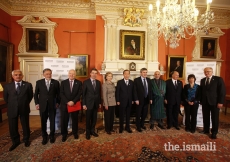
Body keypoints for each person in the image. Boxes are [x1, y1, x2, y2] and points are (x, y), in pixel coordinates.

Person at [3, 70, 33, 151]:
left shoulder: (28, 85)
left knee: (25, 125)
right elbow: (6, 98)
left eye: (19, 75)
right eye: (16, 75)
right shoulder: (7, 86)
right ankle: (15, 141)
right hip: (12, 109)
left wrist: (23, 103)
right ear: (13, 76)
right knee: (12, 126)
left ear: (22, 76)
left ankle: (26, 140)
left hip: (24, 108)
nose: (18, 76)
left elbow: (30, 96)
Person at [34, 68, 60, 145]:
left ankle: (52, 136)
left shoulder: (55, 82)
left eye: (50, 74)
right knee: (43, 121)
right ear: (43, 75)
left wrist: (58, 102)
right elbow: (35, 94)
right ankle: (44, 136)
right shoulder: (39, 82)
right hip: (42, 105)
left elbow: (58, 94)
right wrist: (37, 104)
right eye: (47, 74)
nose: (48, 75)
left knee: (52, 121)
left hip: (53, 105)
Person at [199, 67, 226, 139]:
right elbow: (202, 92)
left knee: (214, 118)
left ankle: (214, 132)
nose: (206, 73)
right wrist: (201, 100)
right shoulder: (202, 80)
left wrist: (220, 102)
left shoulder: (218, 79)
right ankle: (206, 130)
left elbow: (222, 91)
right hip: (205, 102)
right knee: (205, 117)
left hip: (215, 102)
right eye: (205, 72)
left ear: (212, 71)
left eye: (208, 71)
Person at [60, 69, 82, 142]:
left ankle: (75, 133)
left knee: (75, 120)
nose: (71, 75)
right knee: (64, 120)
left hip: (74, 104)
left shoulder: (79, 82)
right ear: (68, 74)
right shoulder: (63, 82)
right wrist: (67, 102)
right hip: (65, 105)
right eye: (70, 73)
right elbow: (61, 93)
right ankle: (64, 134)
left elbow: (80, 93)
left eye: (73, 74)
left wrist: (73, 101)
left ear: (75, 75)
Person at [83, 68, 101, 140]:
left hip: (96, 103)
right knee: (88, 119)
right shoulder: (86, 82)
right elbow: (83, 94)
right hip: (88, 103)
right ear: (90, 74)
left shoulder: (98, 82)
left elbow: (99, 94)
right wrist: (84, 104)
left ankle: (92, 130)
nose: (94, 74)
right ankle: (87, 132)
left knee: (94, 118)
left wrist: (99, 102)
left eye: (95, 73)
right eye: (93, 73)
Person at [134, 68, 152, 132]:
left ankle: (142, 124)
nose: (145, 73)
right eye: (144, 72)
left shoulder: (149, 80)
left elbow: (150, 90)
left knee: (144, 113)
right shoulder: (136, 80)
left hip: (146, 99)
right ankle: (138, 126)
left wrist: (150, 98)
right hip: (139, 100)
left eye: (146, 72)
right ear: (141, 73)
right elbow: (135, 91)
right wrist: (136, 99)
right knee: (138, 114)